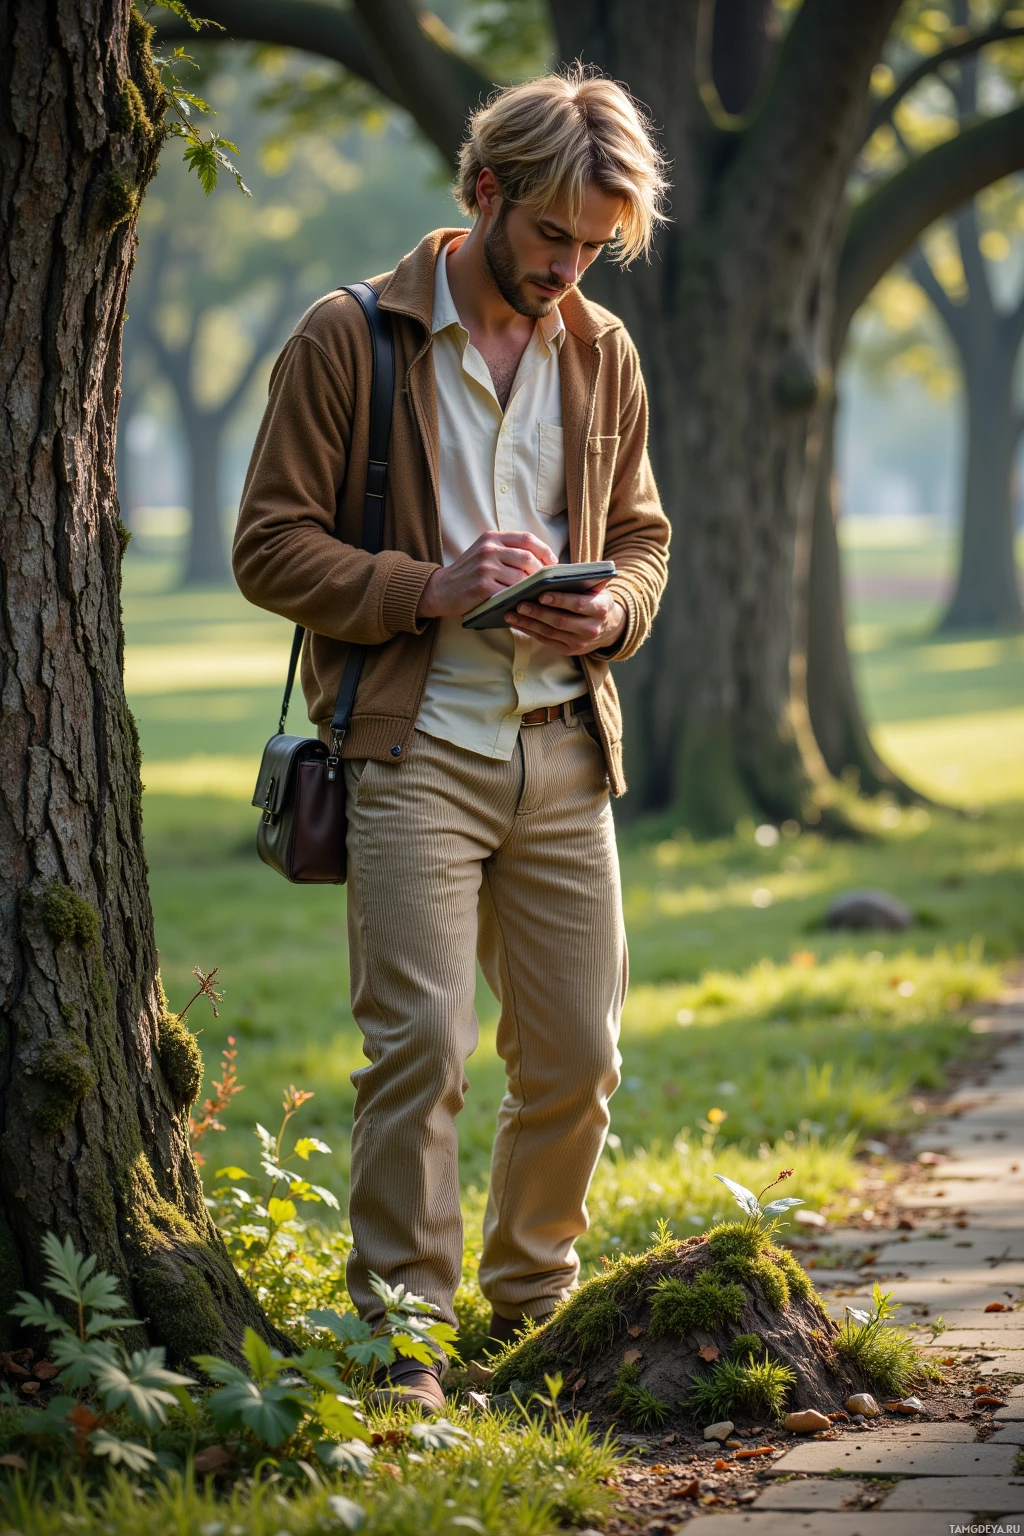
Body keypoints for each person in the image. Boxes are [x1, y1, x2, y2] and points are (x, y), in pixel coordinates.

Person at [233, 66, 671, 1411]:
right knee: (419, 1048)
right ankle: (402, 1347)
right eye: (553, 237)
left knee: (580, 1057)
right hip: (410, 748)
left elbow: (644, 538)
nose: (570, 268)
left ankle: (532, 1312)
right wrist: (426, 586)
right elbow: (267, 546)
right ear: (485, 191)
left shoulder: (600, 350)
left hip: (563, 748)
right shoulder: (346, 337)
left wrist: (612, 617)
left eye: (596, 247)